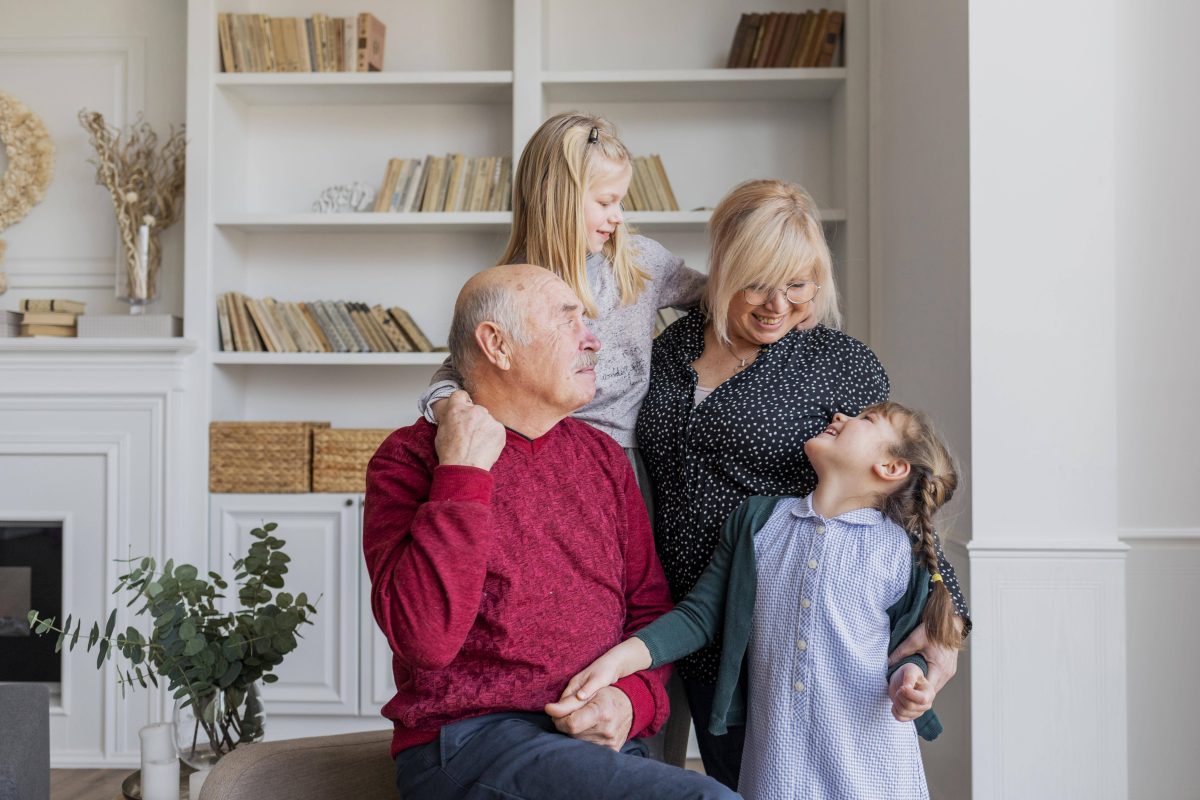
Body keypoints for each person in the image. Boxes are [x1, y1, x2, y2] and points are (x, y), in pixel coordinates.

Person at [634, 178, 970, 788]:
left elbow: (901, 490)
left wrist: (949, 618)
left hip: (761, 630)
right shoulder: (668, 347)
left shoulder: (839, 364)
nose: (777, 305)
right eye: (757, 282)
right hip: (655, 610)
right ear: (723, 269)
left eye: (798, 284)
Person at [363, 264, 735, 800]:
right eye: (568, 321)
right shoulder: (412, 459)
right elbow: (426, 639)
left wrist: (631, 700)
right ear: (497, 344)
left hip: (589, 741)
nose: (593, 339)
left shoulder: (602, 458)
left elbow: (649, 610)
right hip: (469, 740)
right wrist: (463, 473)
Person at [550, 402, 965, 799]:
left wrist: (909, 681)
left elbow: (906, 651)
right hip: (777, 759)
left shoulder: (898, 550)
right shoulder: (758, 522)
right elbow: (698, 616)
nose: (841, 415)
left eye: (867, 418)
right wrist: (617, 661)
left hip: (869, 760)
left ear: (890, 468)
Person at [418, 111, 706, 512]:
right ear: (556, 194)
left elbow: (716, 301)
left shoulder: (641, 263)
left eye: (621, 201)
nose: (618, 215)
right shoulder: (514, 284)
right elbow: (455, 372)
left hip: (624, 459)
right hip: (538, 457)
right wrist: (449, 410)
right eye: (606, 201)